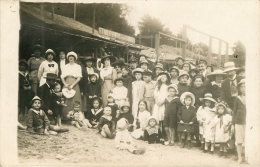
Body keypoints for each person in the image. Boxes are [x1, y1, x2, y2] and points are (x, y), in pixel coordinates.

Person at [60, 51, 82, 119]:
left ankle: (76, 117)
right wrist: (65, 84)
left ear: (75, 58)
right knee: (66, 99)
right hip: (67, 82)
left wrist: (73, 85)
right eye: (69, 56)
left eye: (72, 56)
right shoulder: (65, 66)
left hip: (74, 83)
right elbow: (62, 76)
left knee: (75, 98)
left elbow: (79, 77)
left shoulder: (78, 66)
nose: (71, 58)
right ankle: (66, 117)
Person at [231, 79, 246, 164]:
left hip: (248, 123)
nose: (243, 89)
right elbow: (234, 111)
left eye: (245, 87)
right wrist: (233, 124)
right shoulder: (237, 99)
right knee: (239, 140)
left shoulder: (253, 98)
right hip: (238, 122)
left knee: (248, 139)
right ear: (239, 89)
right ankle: (239, 157)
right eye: (242, 87)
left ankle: (246, 156)